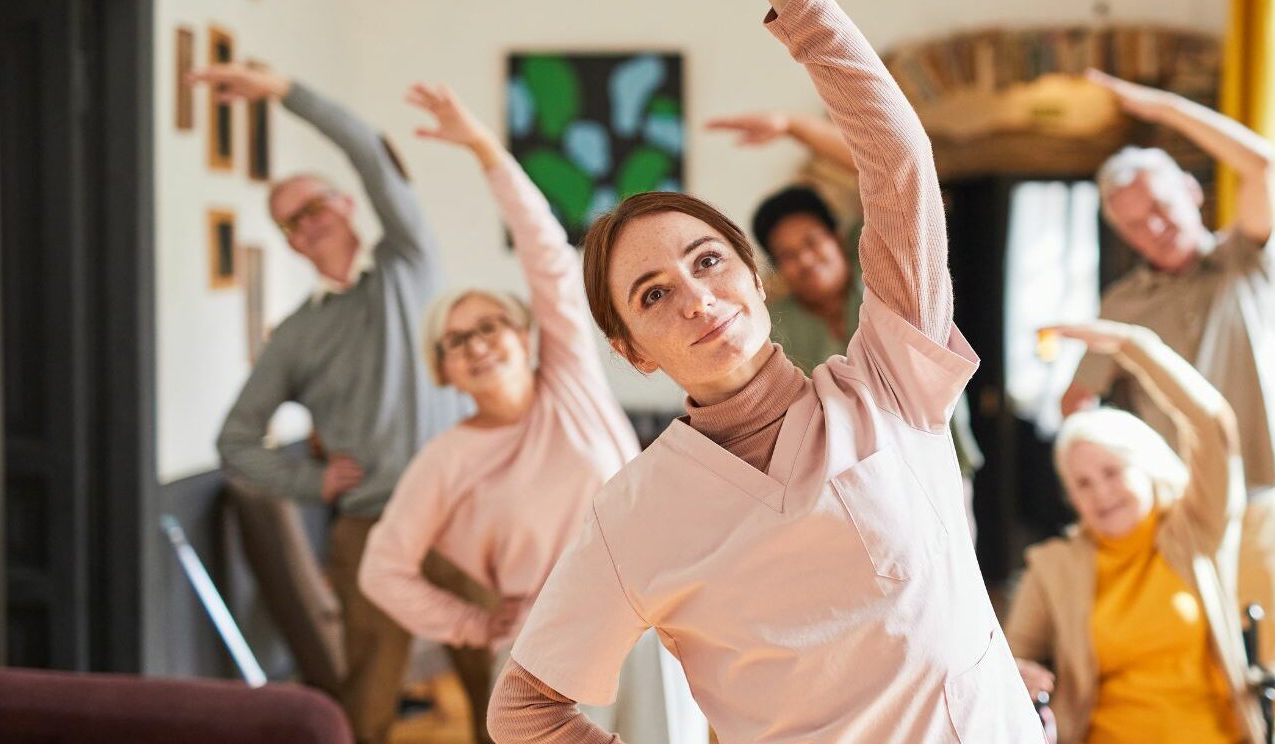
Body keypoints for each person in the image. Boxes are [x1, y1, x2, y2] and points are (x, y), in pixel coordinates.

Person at [485, 1, 1043, 741]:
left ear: (756, 280)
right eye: (654, 294)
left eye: (708, 261)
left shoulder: (887, 382)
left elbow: (899, 161)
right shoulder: (632, 515)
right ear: (633, 350)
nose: (696, 298)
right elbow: (524, 710)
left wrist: (809, 16)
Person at [356, 84, 704, 744]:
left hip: (646, 618)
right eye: (458, 340)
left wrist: (486, 148)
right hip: (546, 648)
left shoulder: (568, 383)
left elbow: (546, 252)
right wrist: (474, 624)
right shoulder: (445, 459)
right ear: (444, 370)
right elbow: (383, 569)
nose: (479, 342)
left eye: (491, 325)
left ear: (525, 336)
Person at [199, 64, 477, 744]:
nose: (306, 225)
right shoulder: (295, 335)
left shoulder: (408, 266)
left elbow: (367, 150)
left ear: (349, 206)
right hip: (366, 534)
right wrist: (310, 481)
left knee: (504, 690)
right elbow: (234, 442)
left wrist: (282, 93)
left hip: (459, 520)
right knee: (368, 711)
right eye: (292, 222)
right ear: (289, 241)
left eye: (316, 206)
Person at [1060, 69, 1275, 743]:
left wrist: (1161, 108)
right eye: (1135, 222)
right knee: (1197, 689)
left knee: (1274, 696)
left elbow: (1261, 163)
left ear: (1193, 192)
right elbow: (1079, 405)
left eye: (1163, 206)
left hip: (1261, 504)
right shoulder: (1121, 306)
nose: (1155, 226)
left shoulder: (1242, 262)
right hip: (1176, 525)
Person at [708, 112, 986, 535]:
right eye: (787, 254)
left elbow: (888, 172)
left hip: (937, 460)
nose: (804, 259)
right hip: (849, 492)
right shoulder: (777, 326)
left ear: (836, 238)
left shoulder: (879, 275)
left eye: (810, 242)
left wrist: (794, 128)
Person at [1008, 321, 1268, 744]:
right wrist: (1020, 672)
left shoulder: (1195, 531)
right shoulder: (1053, 566)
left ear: (1145, 468)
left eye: (1112, 472)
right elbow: (1011, 658)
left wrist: (1137, 346)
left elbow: (1214, 426)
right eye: (1083, 484)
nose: (1101, 494)